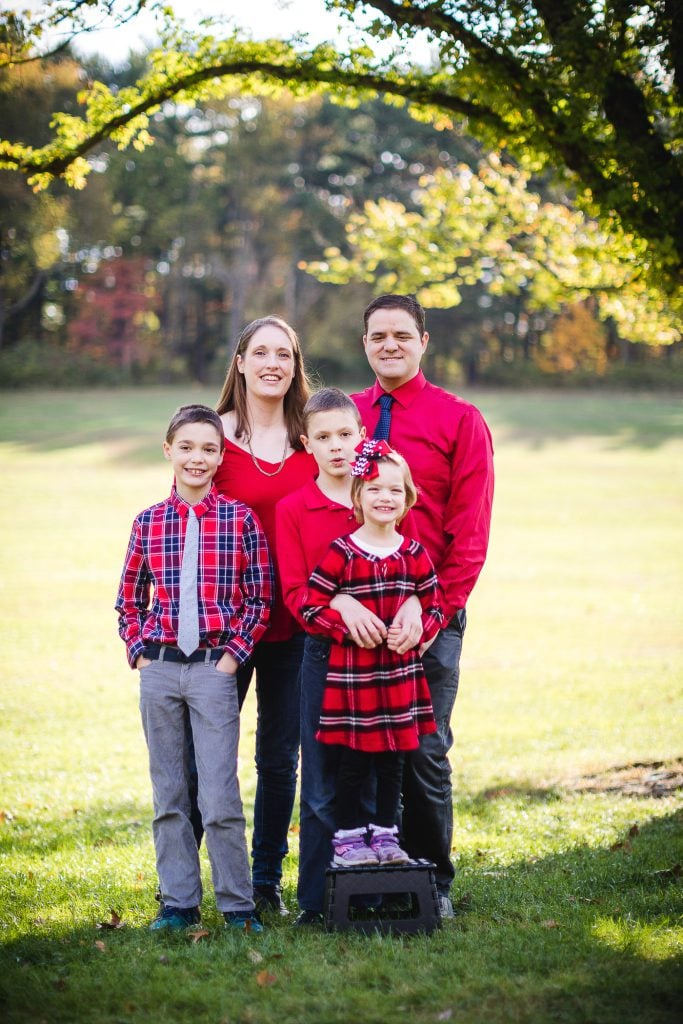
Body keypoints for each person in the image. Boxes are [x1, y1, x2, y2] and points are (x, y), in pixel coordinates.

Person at [352, 294, 494, 918]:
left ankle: (434, 881)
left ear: (423, 342)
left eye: (401, 335)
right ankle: (367, 875)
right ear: (365, 344)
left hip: (429, 614)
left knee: (424, 750)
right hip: (353, 615)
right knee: (359, 752)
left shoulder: (459, 419)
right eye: (378, 336)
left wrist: (434, 610)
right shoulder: (345, 415)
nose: (390, 345)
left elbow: (471, 531)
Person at [115, 404, 272, 933]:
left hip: (212, 669)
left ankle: (237, 905)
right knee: (170, 791)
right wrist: (138, 650)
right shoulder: (148, 522)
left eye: (208, 448)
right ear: (168, 451)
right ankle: (178, 903)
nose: (197, 458)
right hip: (159, 669)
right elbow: (130, 598)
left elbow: (259, 598)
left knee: (219, 793)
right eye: (186, 447)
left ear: (221, 456)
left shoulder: (240, 519)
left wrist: (232, 657)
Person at [276, 388, 423, 925]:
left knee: (381, 774)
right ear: (305, 443)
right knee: (320, 784)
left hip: (387, 661)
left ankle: (377, 896)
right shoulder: (296, 509)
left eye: (345, 434)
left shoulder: (384, 491)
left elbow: (410, 566)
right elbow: (297, 594)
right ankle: (316, 902)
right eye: (323, 437)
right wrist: (341, 606)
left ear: (362, 435)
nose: (336, 447)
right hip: (325, 657)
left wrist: (410, 603)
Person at [213, 315, 316, 916]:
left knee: (279, 758)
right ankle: (186, 879)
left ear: (295, 365)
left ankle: (264, 880)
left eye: (285, 353)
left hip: (296, 625)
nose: (273, 362)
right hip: (227, 627)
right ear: (242, 362)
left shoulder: (315, 440)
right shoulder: (213, 434)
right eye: (262, 352)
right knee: (211, 755)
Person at [301, 441, 444, 870]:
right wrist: (346, 627)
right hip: (355, 679)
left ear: (408, 499)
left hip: (400, 679)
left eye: (395, 491)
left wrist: (419, 630)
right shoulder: (342, 552)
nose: (386, 498)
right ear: (358, 496)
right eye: (376, 489)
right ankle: (348, 842)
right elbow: (312, 606)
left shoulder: (414, 555)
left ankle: (386, 837)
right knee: (354, 764)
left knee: (393, 763)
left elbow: (435, 606)